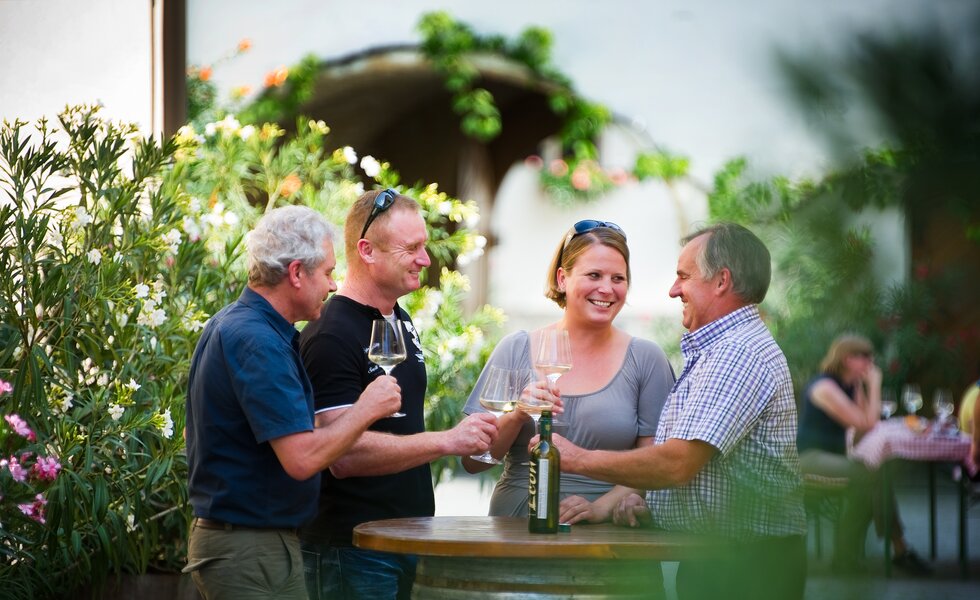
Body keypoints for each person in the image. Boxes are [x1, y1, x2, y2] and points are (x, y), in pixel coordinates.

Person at [551, 222, 807, 600]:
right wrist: (646, 504)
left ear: (721, 281)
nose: (673, 290)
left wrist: (578, 459)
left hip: (747, 566)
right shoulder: (721, 348)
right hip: (728, 558)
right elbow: (701, 474)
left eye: (682, 277)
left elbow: (677, 463)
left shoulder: (736, 353)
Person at [183, 205, 402, 600]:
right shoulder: (257, 341)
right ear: (297, 273)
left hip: (249, 543)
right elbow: (301, 459)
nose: (333, 286)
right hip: (249, 548)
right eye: (328, 273)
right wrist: (366, 408)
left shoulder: (238, 325)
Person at [298, 188, 499, 600]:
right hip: (351, 546)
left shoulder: (398, 320)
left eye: (424, 246)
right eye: (412, 249)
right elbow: (343, 456)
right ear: (367, 251)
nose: (426, 260)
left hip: (403, 538)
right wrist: (447, 441)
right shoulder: (332, 333)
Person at [461, 219, 675, 525]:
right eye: (594, 275)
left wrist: (600, 507)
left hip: (606, 532)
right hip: (519, 523)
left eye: (618, 278)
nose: (607, 288)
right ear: (562, 278)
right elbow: (472, 461)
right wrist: (517, 415)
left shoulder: (646, 359)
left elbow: (655, 466)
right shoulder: (515, 349)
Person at [797, 334, 931, 575]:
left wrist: (863, 387)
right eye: (865, 357)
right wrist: (876, 385)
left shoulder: (851, 384)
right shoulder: (824, 387)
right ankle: (896, 549)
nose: (871, 362)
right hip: (810, 457)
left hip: (837, 456)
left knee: (874, 480)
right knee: (873, 476)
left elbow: (870, 421)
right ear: (848, 359)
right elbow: (867, 423)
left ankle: (854, 555)